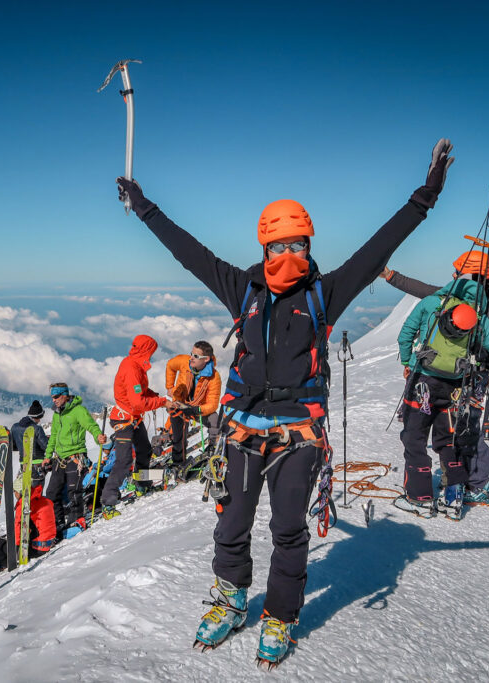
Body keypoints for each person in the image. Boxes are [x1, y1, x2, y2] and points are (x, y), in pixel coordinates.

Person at [116, 138, 455, 667]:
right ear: (264, 248)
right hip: (243, 429)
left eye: (298, 245)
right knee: (231, 523)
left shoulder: (327, 292)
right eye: (279, 247)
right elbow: (188, 252)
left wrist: (424, 197)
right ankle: (231, 601)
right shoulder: (242, 290)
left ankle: (279, 614)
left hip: (299, 433)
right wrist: (144, 208)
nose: (288, 256)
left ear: (309, 245)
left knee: (288, 528)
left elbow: (377, 248)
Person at [396, 250, 489, 519]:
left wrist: (408, 362)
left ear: (456, 274)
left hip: (423, 382)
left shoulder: (432, 303)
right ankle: (453, 499)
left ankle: (419, 497)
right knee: (447, 441)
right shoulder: (477, 315)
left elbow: (406, 333)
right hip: (456, 387)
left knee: (415, 438)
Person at [101, 335, 173, 511]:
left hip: (133, 418)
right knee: (124, 460)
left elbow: (140, 390)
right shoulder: (132, 368)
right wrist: (162, 402)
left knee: (144, 450)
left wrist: (154, 396)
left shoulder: (135, 363)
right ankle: (108, 501)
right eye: (151, 351)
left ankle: (142, 484)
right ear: (146, 350)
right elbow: (138, 402)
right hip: (125, 419)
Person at [45, 382, 107, 537]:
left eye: (57, 396)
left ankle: (77, 520)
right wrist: (47, 456)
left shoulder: (78, 410)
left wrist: (98, 435)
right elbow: (53, 436)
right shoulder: (57, 413)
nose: (54, 400)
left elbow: (91, 425)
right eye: (52, 397)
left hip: (75, 457)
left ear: (65, 395)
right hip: (59, 459)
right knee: (52, 492)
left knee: (74, 492)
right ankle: (59, 522)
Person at [165, 340, 222, 467]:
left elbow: (213, 404)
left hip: (197, 408)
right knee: (179, 430)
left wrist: (196, 410)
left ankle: (212, 451)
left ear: (206, 359)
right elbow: (170, 365)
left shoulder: (213, 377)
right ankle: (178, 461)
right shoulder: (184, 362)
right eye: (192, 354)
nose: (191, 358)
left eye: (196, 356)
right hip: (180, 403)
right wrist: (169, 386)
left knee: (215, 420)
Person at [13, 473, 58, 558]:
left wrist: (17, 548)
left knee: (0, 547)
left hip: (37, 548)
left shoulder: (23, 505)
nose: (14, 494)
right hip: (50, 542)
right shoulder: (43, 499)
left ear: (20, 492)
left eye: (14, 491)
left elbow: (18, 527)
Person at [11, 400, 49, 485]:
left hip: (23, 464)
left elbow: (13, 446)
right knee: (36, 493)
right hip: (37, 465)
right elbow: (46, 446)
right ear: (36, 417)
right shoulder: (37, 429)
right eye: (39, 418)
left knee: (25, 492)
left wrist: (22, 447)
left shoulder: (15, 427)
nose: (39, 421)